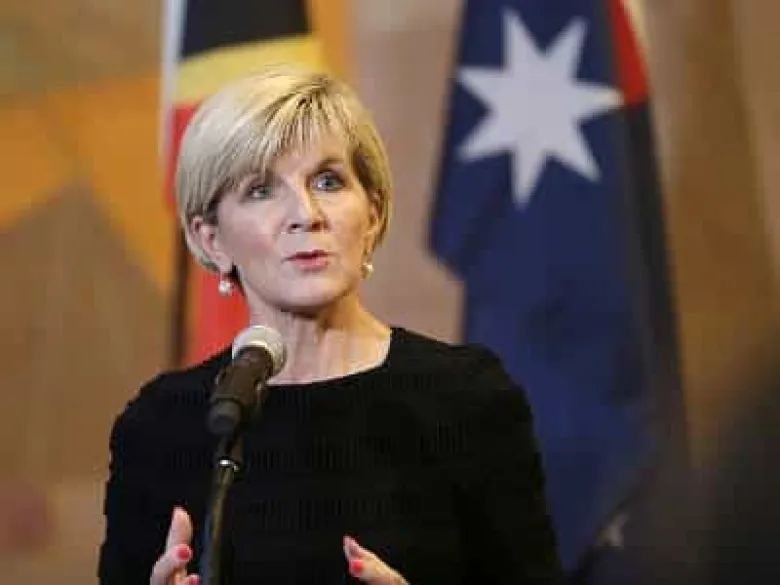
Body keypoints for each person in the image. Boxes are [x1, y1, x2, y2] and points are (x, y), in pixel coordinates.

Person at [98, 64, 563, 584]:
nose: (307, 213)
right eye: (261, 190)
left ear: (373, 215)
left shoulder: (466, 398)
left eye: (328, 181)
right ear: (212, 240)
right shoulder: (162, 426)